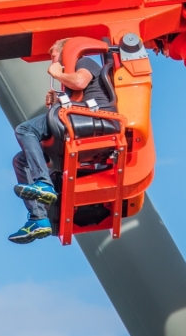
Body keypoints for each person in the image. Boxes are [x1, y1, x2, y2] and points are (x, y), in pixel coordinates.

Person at [9, 38, 115, 244]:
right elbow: (77, 91)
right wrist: (59, 100)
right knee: (20, 160)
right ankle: (38, 218)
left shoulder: (85, 63)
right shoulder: (72, 79)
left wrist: (58, 73)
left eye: (54, 56)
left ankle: (43, 184)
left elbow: (80, 82)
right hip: (77, 116)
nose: (52, 61)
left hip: (93, 117)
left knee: (25, 129)